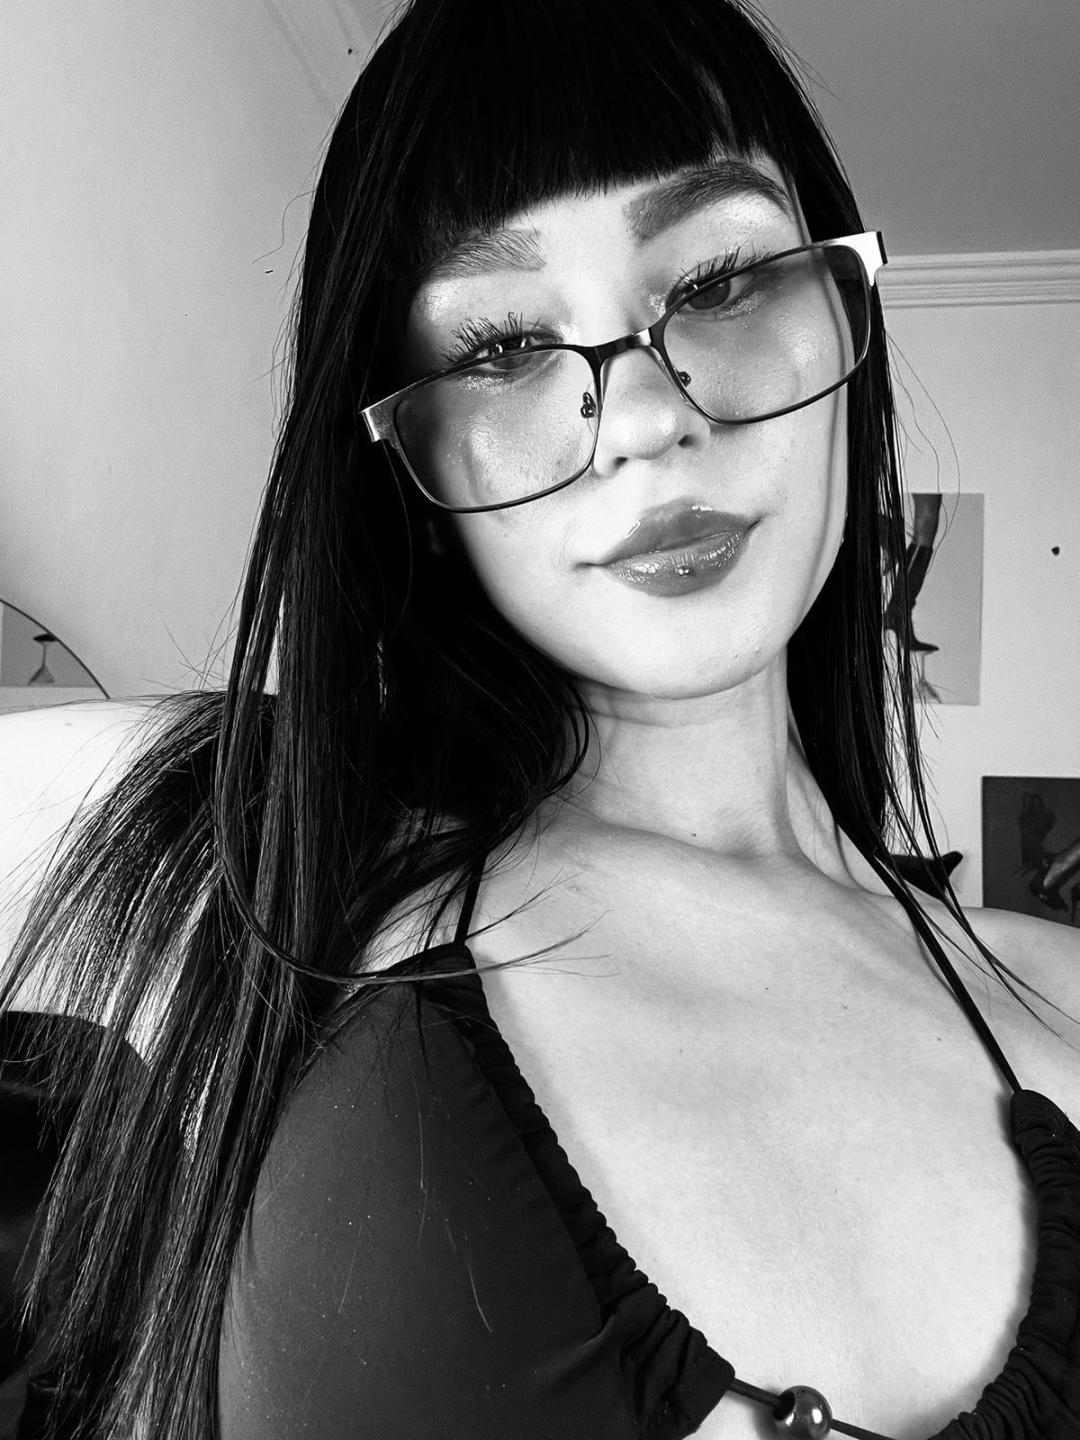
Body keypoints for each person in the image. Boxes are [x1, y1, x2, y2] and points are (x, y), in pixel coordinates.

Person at [0, 2, 1077, 1437]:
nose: (643, 419)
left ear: (843, 308)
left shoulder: (1053, 992)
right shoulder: (406, 1064)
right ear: (407, 461)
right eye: (504, 346)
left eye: (722, 278)